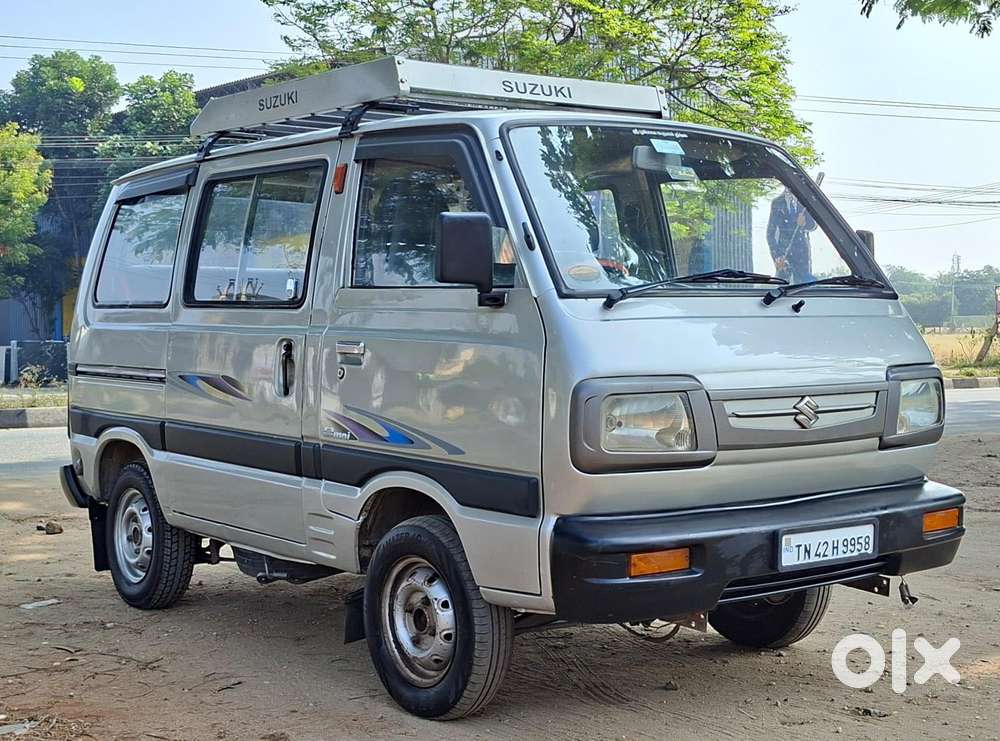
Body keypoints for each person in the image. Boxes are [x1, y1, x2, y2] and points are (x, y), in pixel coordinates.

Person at [767, 188, 816, 283]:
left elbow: (813, 225)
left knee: (803, 286)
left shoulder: (805, 202)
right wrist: (777, 256)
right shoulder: (777, 203)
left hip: (802, 254)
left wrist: (804, 223)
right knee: (782, 285)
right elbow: (770, 233)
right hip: (784, 253)